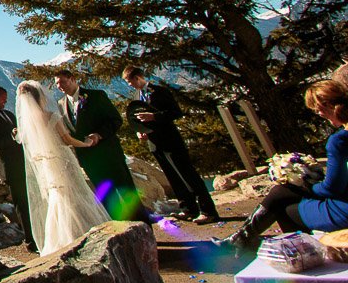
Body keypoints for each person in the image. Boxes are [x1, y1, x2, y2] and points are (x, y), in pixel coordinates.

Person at [214, 79, 348, 253]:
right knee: (282, 194)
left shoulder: (339, 141)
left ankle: (305, 258)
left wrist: (304, 187)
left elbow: (332, 189)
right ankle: (240, 239)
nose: (318, 114)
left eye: (317, 109)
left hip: (343, 210)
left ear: (327, 105)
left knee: (284, 207)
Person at [14, 80, 111, 254]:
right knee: (76, 193)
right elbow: (66, 139)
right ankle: (82, 230)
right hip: (63, 160)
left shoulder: (28, 124)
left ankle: (60, 239)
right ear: (40, 96)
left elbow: (22, 140)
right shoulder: (51, 115)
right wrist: (85, 144)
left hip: (47, 166)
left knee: (58, 197)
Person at [122, 65, 220, 224]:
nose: (129, 85)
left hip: (170, 140)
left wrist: (154, 117)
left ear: (138, 77)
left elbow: (175, 112)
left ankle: (208, 211)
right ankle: (188, 209)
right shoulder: (136, 96)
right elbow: (139, 120)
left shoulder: (159, 91)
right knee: (173, 177)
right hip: (155, 144)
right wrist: (141, 131)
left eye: (130, 81)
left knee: (189, 175)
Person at [54, 68, 149, 222]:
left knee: (127, 193)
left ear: (72, 79)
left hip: (109, 154)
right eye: (57, 84)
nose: (60, 86)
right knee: (107, 198)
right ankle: (124, 232)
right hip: (89, 159)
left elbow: (115, 120)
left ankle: (145, 229)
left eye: (62, 82)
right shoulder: (60, 104)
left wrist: (99, 134)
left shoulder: (96, 96)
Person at [0, 85, 36, 250]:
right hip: (10, 166)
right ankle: (29, 239)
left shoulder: (10, 115)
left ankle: (37, 232)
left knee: (31, 200)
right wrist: (12, 137)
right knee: (21, 204)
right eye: (3, 97)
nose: (6, 100)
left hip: (24, 163)